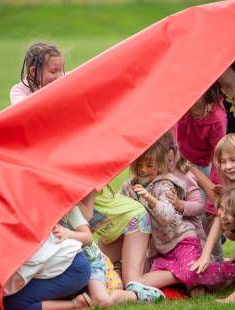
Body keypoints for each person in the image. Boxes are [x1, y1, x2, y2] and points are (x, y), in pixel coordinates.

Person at [10, 42, 152, 287]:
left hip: (79, 171)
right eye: (53, 72)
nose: (60, 76)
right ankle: (126, 277)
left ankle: (128, 277)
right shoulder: (20, 92)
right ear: (33, 73)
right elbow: (24, 115)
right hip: (62, 173)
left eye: (61, 71)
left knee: (106, 221)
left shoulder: (63, 83)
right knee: (99, 222)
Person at [121, 141, 235, 294]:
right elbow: (121, 208)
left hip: (183, 240)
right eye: (138, 165)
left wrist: (153, 201)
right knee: (161, 278)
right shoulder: (128, 187)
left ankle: (233, 269)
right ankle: (191, 281)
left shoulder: (166, 184)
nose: (143, 170)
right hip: (160, 250)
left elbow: (169, 216)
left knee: (190, 271)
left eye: (149, 165)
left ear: (161, 164)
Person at [54, 196, 164, 307]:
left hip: (132, 219)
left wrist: (69, 232)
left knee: (131, 282)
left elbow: (87, 222)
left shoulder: (75, 201)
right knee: (112, 284)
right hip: (110, 229)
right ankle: (117, 274)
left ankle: (141, 294)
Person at [3, 206, 92, 310]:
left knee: (12, 304)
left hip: (73, 267)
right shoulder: (31, 211)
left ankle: (75, 304)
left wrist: (69, 234)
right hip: (60, 264)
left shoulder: (68, 208)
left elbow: (89, 237)